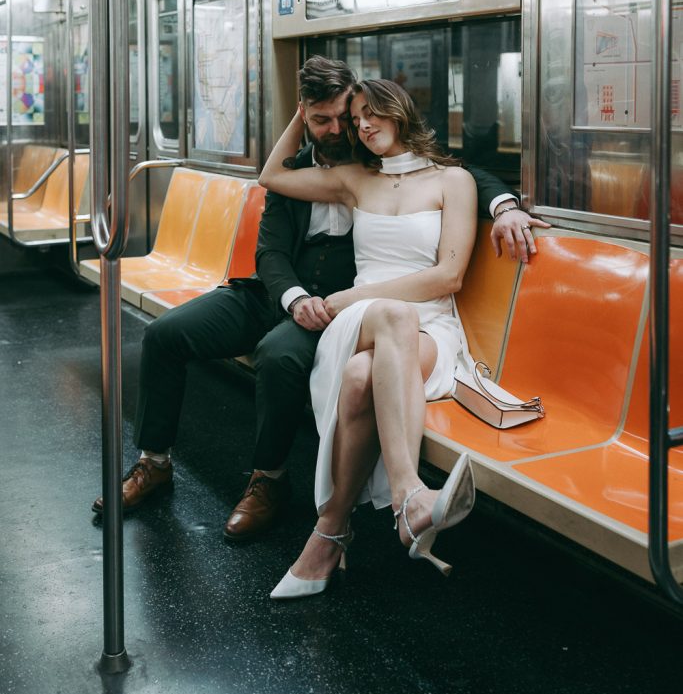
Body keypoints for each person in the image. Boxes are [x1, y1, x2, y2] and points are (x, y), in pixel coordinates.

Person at [92, 56, 545, 537]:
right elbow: (269, 248)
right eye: (321, 119)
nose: (338, 129)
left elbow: (459, 172)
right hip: (276, 295)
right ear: (304, 116)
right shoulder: (300, 170)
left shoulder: (373, 163)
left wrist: (505, 205)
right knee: (165, 336)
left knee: (278, 357)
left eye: (344, 117)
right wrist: (290, 298)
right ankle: (154, 462)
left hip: (344, 306)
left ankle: (268, 480)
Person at [259, 80, 510, 599]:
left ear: (400, 113)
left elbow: (448, 278)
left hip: (431, 327)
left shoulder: (453, 181)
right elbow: (271, 176)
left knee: (359, 378)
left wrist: (354, 296)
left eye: (373, 114)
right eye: (355, 120)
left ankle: (328, 535)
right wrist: (301, 111)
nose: (363, 126)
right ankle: (410, 497)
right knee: (391, 318)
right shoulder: (354, 179)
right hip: (367, 320)